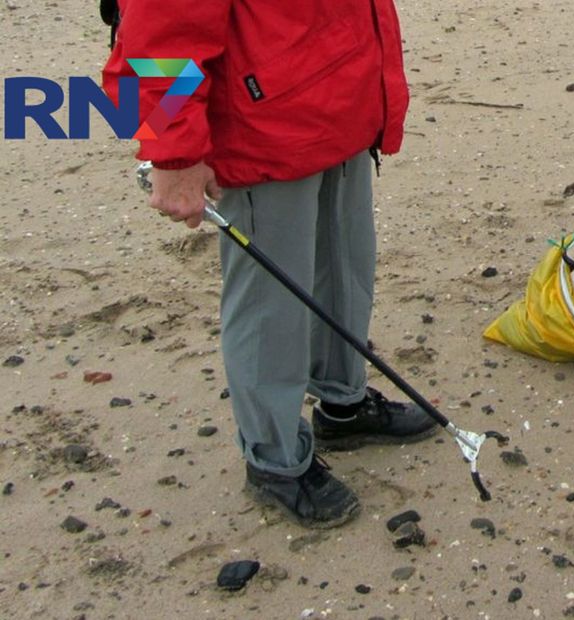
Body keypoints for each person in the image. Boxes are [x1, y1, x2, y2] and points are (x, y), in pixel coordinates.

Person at [102, 0, 438, 529]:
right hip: (261, 129)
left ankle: (343, 405)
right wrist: (174, 155)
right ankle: (275, 459)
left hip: (339, 104)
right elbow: (159, 34)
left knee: (346, 266)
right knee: (270, 307)